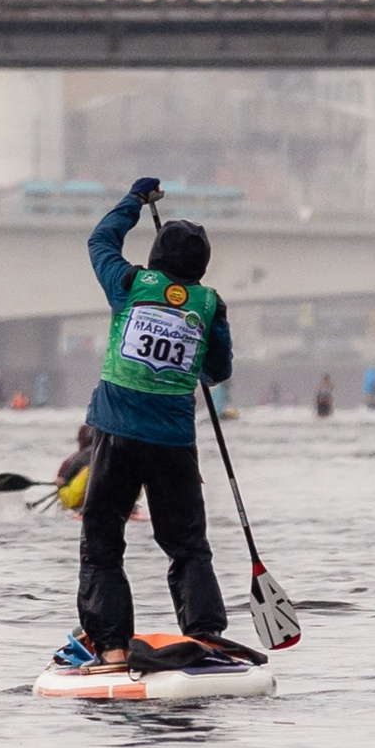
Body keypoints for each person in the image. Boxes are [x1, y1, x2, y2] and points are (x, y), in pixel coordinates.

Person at [55, 177, 233, 676]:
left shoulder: (130, 285)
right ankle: (205, 636)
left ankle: (110, 648)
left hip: (117, 436)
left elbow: (99, 241)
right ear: (202, 265)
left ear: (155, 258)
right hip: (175, 444)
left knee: (103, 541)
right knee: (188, 546)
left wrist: (133, 202)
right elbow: (217, 372)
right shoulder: (210, 305)